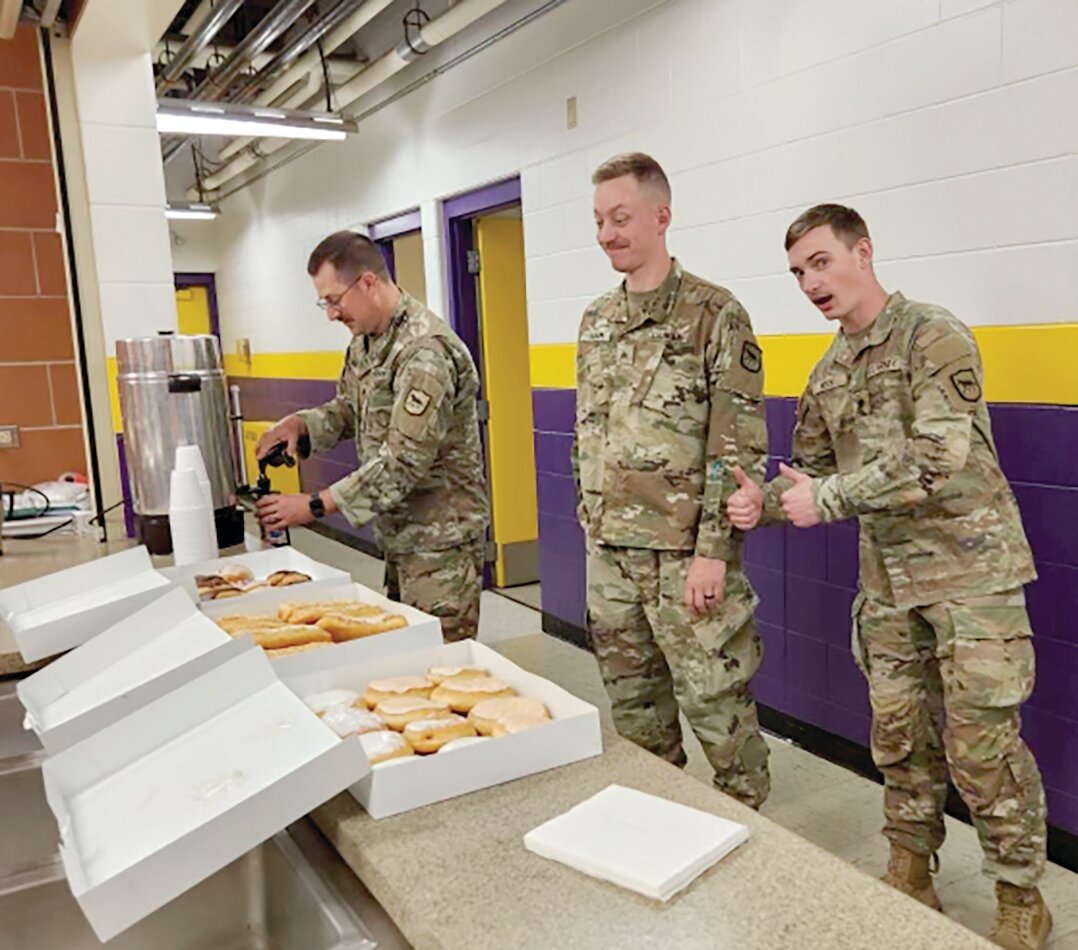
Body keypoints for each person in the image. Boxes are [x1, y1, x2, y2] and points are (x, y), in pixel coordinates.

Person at [727, 204, 1051, 949]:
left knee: (982, 747)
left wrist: (825, 497)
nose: (810, 282)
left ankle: (1020, 893)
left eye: (820, 262)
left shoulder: (933, 335)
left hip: (972, 579)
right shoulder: (828, 372)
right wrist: (763, 504)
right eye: (798, 272)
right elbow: (806, 476)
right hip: (889, 587)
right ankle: (911, 867)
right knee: (900, 738)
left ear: (862, 251)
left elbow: (942, 456)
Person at [573, 152, 771, 808]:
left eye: (620, 217)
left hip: (685, 558)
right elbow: (588, 433)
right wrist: (590, 524)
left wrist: (713, 553)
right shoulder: (595, 321)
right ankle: (658, 823)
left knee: (717, 708)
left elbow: (735, 446)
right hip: (610, 557)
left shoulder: (716, 314)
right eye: (599, 220)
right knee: (634, 714)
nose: (606, 234)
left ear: (662, 216)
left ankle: (752, 831)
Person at [255, 231, 489, 642]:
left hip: (440, 545)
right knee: (407, 656)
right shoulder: (366, 341)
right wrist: (302, 425)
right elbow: (350, 408)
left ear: (367, 283)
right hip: (401, 536)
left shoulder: (424, 352)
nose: (330, 313)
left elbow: (401, 463)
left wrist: (313, 505)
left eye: (333, 300)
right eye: (324, 302)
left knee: (439, 660)